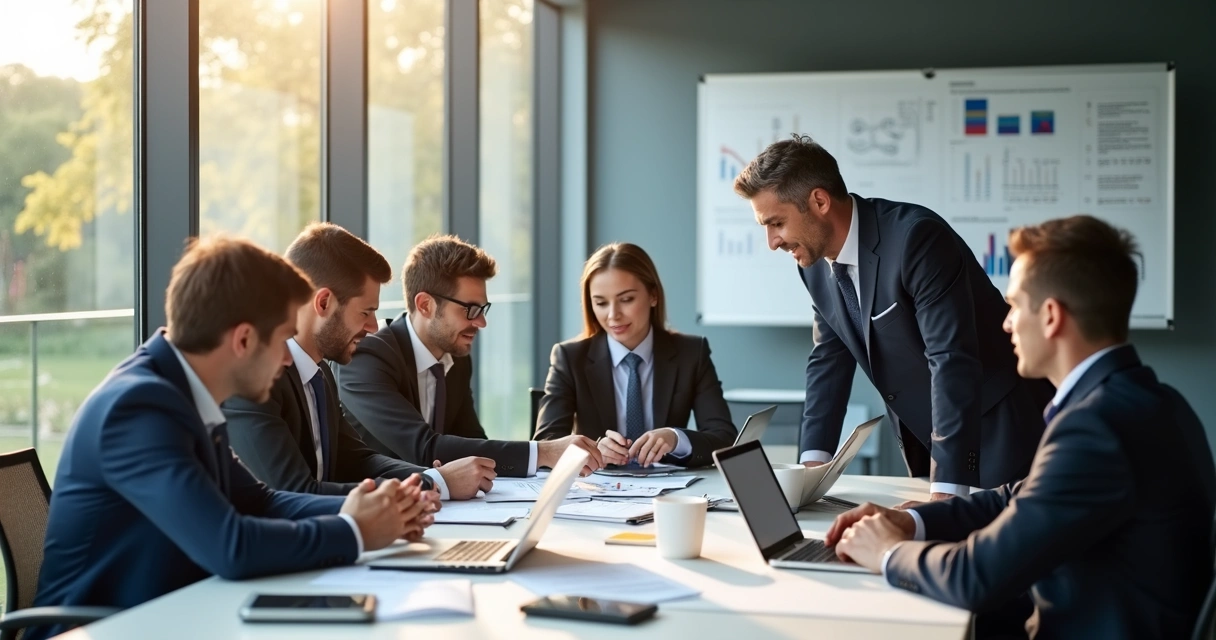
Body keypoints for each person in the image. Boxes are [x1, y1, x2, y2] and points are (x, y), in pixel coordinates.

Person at [826, 216, 1216, 639]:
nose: (1006, 323)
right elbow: (1019, 496)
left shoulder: (1096, 427)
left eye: (1013, 305)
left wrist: (886, 551)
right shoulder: (1151, 401)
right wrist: (916, 522)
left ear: (1051, 317)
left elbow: (976, 576)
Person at [29, 237, 436, 640]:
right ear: (242, 340)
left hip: (170, 613)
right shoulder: (137, 410)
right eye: (281, 342)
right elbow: (231, 546)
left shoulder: (179, 391)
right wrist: (354, 529)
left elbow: (260, 500)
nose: (286, 359)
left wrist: (372, 510)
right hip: (99, 628)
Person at [734, 135, 1052, 500]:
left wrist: (948, 487)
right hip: (927, 438)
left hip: (998, 429)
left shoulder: (916, 239)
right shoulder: (813, 264)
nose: (772, 242)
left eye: (776, 223)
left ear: (819, 201)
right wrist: (811, 470)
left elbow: (950, 359)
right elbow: (829, 359)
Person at [224, 223, 494, 500]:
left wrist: (433, 478)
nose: (373, 327)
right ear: (324, 303)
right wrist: (431, 485)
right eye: (365, 312)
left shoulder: (320, 373)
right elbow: (295, 492)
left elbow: (355, 459)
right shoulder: (254, 382)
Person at [336, 234, 604, 477]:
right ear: (426, 305)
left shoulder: (456, 357)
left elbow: (473, 440)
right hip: (375, 510)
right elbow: (423, 447)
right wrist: (544, 452)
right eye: (470, 310)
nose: (481, 323)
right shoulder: (368, 357)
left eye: (482, 309)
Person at [535, 242, 738, 467]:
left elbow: (724, 438)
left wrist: (675, 438)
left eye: (626, 300)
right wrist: (593, 449)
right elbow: (546, 442)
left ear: (653, 296)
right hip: (597, 492)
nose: (613, 315)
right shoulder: (570, 358)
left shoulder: (691, 353)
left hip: (670, 491)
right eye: (601, 303)